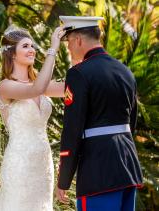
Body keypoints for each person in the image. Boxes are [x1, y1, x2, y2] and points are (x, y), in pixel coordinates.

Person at [56, 16, 143, 211]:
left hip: (98, 170)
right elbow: (132, 122)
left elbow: (72, 129)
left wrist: (64, 180)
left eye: (69, 42)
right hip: (127, 166)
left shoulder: (79, 73)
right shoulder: (125, 71)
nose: (68, 48)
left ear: (78, 39)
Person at [0, 25, 65, 211]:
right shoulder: (5, 87)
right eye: (26, 46)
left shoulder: (39, 84)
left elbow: (72, 87)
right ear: (12, 54)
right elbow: (35, 90)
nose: (32, 50)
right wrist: (53, 48)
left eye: (33, 46)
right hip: (19, 163)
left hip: (43, 164)